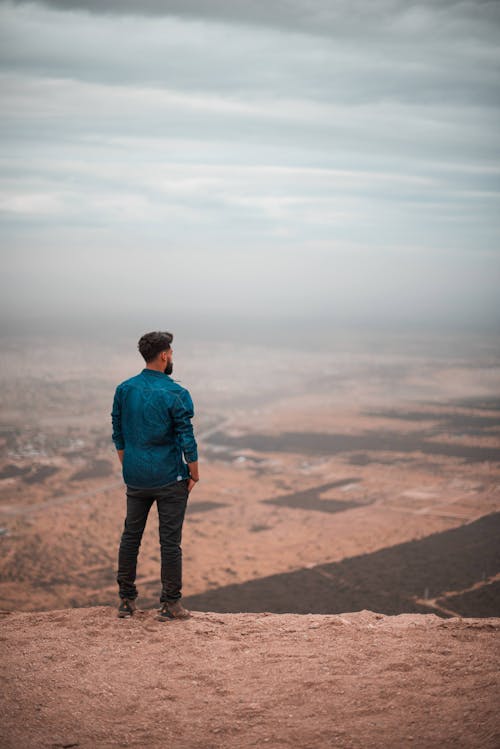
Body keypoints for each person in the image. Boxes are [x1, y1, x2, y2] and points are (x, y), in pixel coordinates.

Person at [111, 330, 199, 621]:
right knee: (170, 542)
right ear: (164, 355)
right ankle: (171, 605)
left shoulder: (124, 389)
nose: (172, 356)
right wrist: (194, 473)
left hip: (135, 477)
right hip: (169, 477)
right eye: (171, 352)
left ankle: (126, 601)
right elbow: (186, 436)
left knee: (131, 536)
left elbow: (118, 432)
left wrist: (129, 464)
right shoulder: (176, 393)